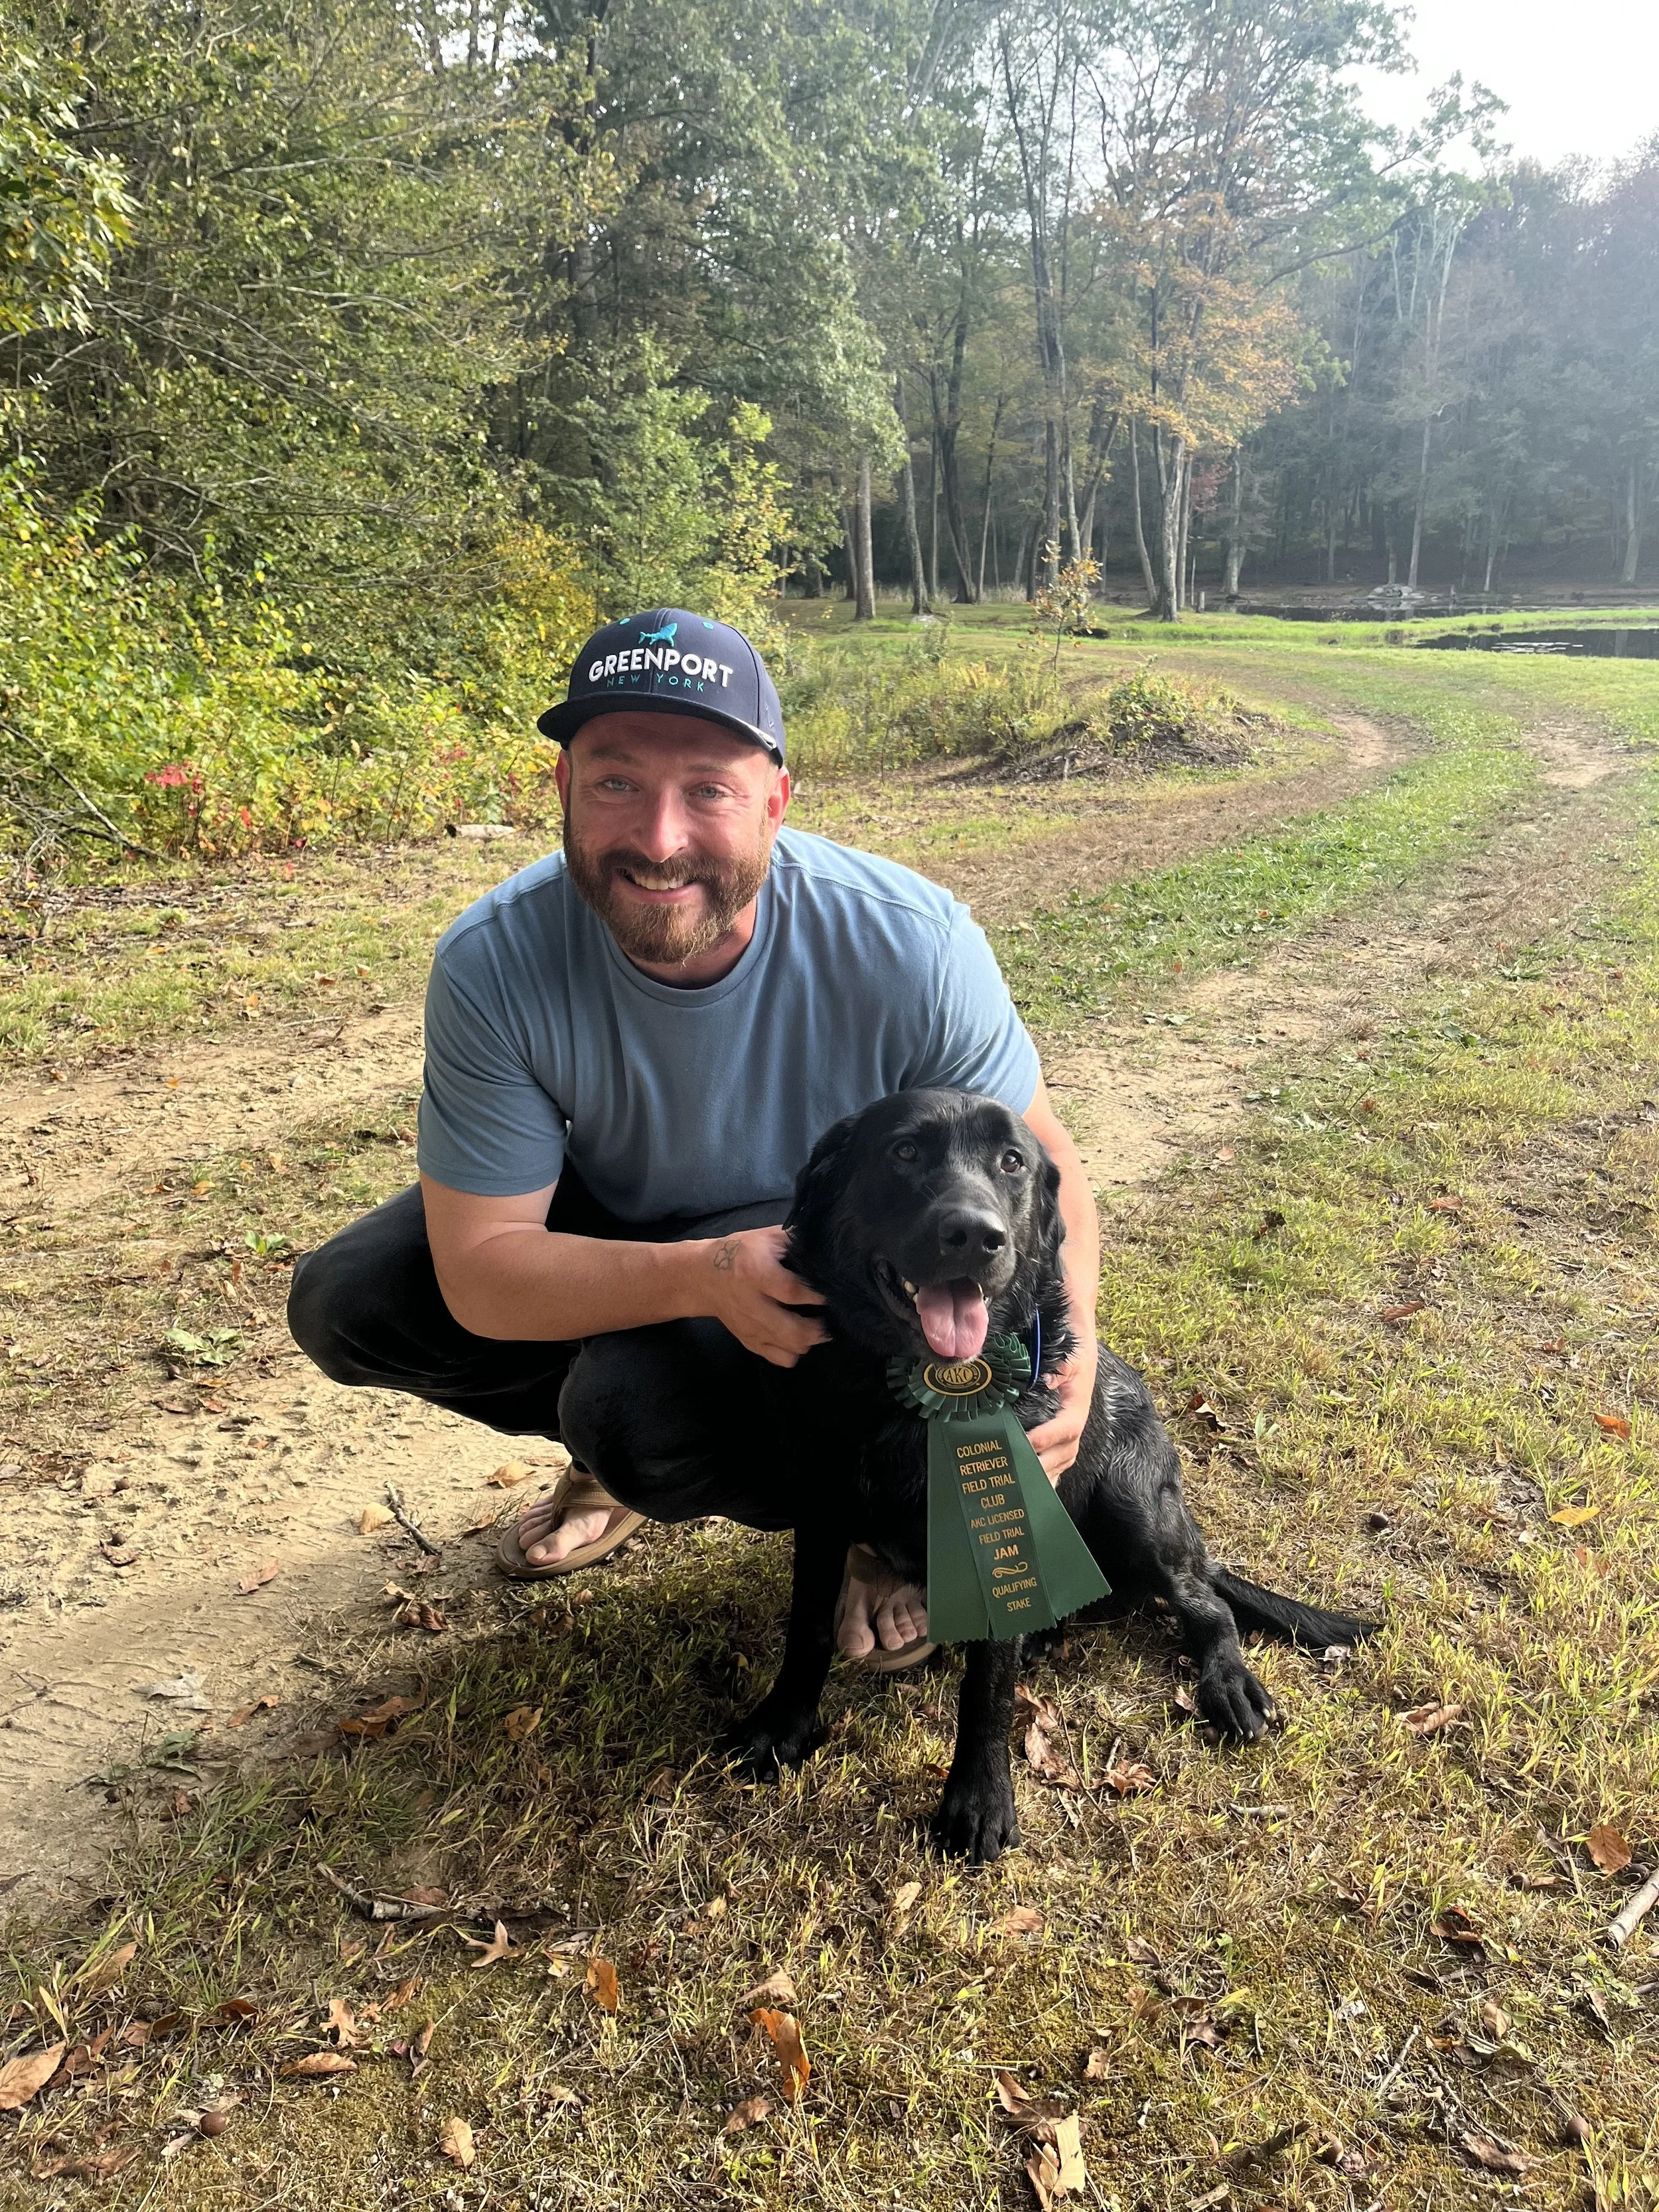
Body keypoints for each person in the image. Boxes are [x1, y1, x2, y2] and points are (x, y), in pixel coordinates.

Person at [287, 607, 1101, 1666]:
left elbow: (1042, 1166)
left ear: (775, 801)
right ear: (564, 795)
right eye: (616, 783)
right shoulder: (494, 960)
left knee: (635, 1411)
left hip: (839, 1237)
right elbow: (482, 1271)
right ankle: (604, 1458)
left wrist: (1068, 1356)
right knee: (353, 1303)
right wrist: (703, 1276)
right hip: (640, 1217)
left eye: (708, 790)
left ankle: (880, 1534)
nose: (659, 839)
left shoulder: (912, 943)